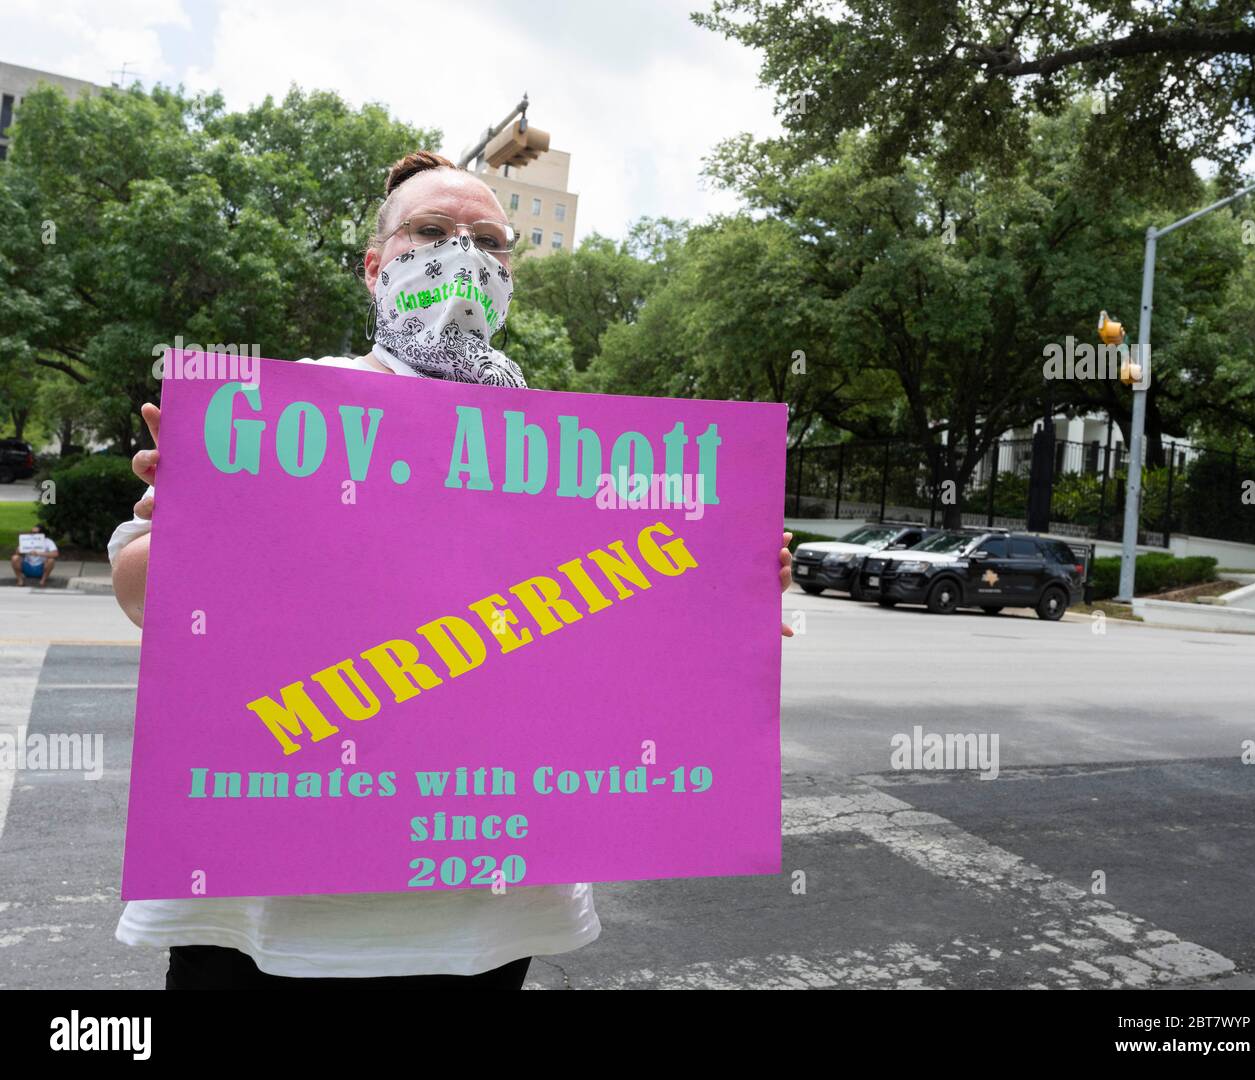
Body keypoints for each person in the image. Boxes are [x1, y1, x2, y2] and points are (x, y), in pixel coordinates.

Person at [109, 150, 796, 989]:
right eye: (430, 233)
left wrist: (736, 581)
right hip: (275, 920)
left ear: (509, 276)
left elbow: (638, 634)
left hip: (481, 920)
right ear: (375, 266)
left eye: (487, 241)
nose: (461, 255)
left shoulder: (572, 448)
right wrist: (190, 532)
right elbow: (146, 595)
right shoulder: (283, 408)